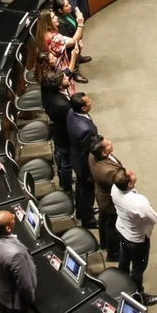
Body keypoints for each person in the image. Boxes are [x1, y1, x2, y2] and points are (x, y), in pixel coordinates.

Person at [111, 168, 157, 306]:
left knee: (125, 257)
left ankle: (121, 282)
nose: (132, 171)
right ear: (130, 185)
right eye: (130, 174)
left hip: (122, 229)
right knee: (139, 267)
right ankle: (138, 294)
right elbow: (154, 218)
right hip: (136, 239)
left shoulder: (115, 188)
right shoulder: (138, 202)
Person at [66, 93, 100, 228]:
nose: (91, 101)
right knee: (87, 192)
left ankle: (81, 211)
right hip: (84, 165)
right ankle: (88, 220)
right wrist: (89, 174)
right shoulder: (85, 130)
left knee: (80, 188)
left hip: (75, 158)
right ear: (84, 109)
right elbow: (87, 153)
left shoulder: (71, 112)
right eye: (88, 102)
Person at [88, 136, 123, 261]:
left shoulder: (93, 155)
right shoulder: (107, 171)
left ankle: (103, 243)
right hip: (109, 201)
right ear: (103, 153)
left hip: (101, 195)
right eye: (107, 144)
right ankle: (113, 254)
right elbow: (121, 184)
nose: (110, 142)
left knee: (103, 220)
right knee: (112, 226)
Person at [42, 69, 76, 193]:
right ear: (60, 84)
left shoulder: (53, 93)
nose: (68, 78)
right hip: (64, 136)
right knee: (66, 163)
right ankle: (67, 188)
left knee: (61, 158)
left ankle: (64, 180)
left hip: (58, 132)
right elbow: (71, 122)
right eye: (65, 78)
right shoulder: (61, 105)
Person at [52, 0, 91, 68]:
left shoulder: (67, 13)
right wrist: (77, 41)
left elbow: (75, 27)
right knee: (72, 57)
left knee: (77, 52)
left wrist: (79, 39)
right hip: (70, 46)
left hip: (76, 38)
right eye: (67, 6)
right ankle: (75, 72)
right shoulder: (60, 23)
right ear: (60, 10)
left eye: (69, 3)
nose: (70, 6)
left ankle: (78, 58)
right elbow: (68, 41)